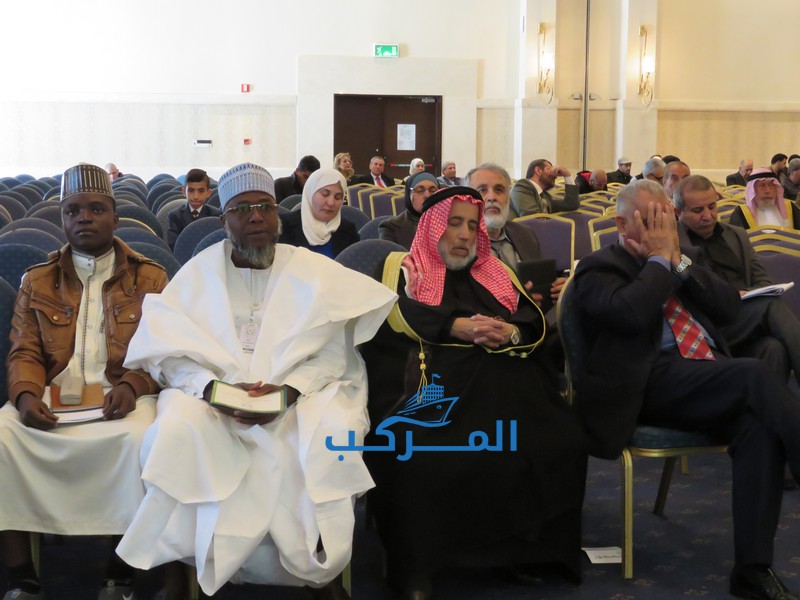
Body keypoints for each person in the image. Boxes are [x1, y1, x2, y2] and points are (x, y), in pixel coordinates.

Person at [114, 162, 397, 598]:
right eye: (242, 209)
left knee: (328, 434)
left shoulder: (312, 270)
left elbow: (335, 351)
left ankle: (315, 570)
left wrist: (290, 391)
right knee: (174, 431)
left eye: (265, 206)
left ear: (278, 215)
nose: (256, 217)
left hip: (297, 396)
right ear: (224, 220)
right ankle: (181, 568)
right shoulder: (198, 273)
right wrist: (212, 390)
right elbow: (169, 354)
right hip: (212, 397)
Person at [573, 178, 800, 600]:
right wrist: (659, 263)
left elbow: (728, 308)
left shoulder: (683, 259)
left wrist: (677, 264)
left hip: (703, 374)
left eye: (666, 218)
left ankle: (752, 571)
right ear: (622, 224)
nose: (663, 228)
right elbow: (629, 314)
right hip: (648, 383)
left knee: (759, 425)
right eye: (651, 220)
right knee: (753, 374)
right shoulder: (599, 268)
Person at [361, 186, 587, 600]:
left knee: (558, 439)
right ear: (432, 227)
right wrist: (454, 326)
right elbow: (389, 318)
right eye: (454, 223)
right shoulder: (401, 267)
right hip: (431, 395)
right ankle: (414, 565)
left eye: (471, 225)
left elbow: (532, 320)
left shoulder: (495, 271)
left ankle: (519, 553)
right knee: (420, 453)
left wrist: (511, 331)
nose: (465, 234)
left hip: (506, 392)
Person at [0, 163, 168, 600]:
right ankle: (21, 575)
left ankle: (119, 569)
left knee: (142, 439)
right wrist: (25, 395)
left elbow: (162, 353)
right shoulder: (37, 280)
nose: (84, 218)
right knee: (2, 435)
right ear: (62, 219)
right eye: (73, 210)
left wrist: (132, 386)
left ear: (115, 217)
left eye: (96, 209)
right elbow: (24, 351)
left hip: (123, 397)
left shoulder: (150, 278)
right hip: (51, 396)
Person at [676, 174, 800, 385]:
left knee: (773, 348)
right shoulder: (674, 243)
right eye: (698, 211)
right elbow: (687, 287)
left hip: (746, 317)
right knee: (770, 306)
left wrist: (749, 295)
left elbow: (762, 280)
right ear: (678, 212)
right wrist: (733, 296)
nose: (708, 216)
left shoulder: (736, 235)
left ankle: (769, 405)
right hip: (707, 325)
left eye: (712, 207)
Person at [466, 163, 565, 309]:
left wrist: (556, 288)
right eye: (482, 190)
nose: (492, 197)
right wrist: (516, 302)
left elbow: (538, 285)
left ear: (509, 196)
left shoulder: (525, 234)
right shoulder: (459, 243)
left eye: (499, 190)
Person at [278, 168, 359, 258]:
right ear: (310, 193)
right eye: (325, 194)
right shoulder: (283, 226)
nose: (331, 203)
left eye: (338, 197)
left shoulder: (348, 231)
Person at [378, 171, 438, 249]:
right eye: (420, 190)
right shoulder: (391, 227)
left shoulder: (447, 225)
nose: (427, 195)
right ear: (408, 195)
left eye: (433, 191)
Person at [166, 168, 222, 249]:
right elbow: (174, 246)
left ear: (208, 193)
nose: (196, 196)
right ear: (184, 191)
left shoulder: (216, 215)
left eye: (201, 191)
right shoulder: (175, 216)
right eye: (191, 191)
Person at [729, 168, 800, 230]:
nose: (767, 190)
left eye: (771, 185)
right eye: (762, 185)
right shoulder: (741, 213)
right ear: (752, 190)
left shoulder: (790, 208)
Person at [509, 158, 579, 217]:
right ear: (538, 170)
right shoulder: (522, 187)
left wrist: (567, 175)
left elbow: (571, 205)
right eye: (549, 169)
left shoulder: (544, 196)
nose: (555, 176)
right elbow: (532, 219)